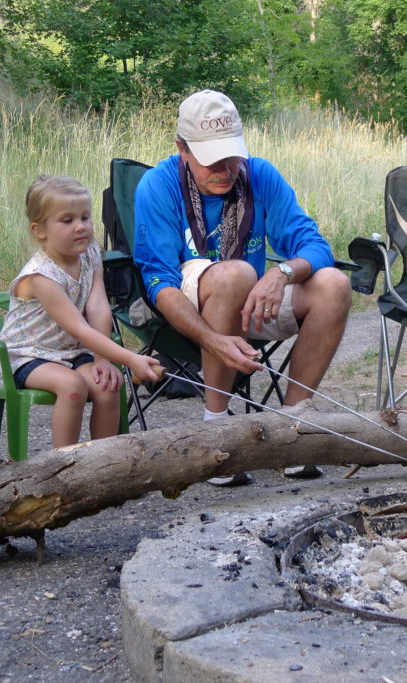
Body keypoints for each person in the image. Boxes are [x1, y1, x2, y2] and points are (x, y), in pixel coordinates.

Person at [133, 89, 352, 484]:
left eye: (232, 154)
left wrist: (281, 273)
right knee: (235, 274)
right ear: (182, 149)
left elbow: (316, 247)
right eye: (212, 159)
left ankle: (292, 429)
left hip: (250, 305)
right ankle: (216, 431)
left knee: (333, 283)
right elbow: (157, 281)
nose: (226, 168)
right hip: (189, 310)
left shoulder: (260, 174)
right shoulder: (157, 185)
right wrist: (213, 339)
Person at [0, 175, 161, 451]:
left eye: (85, 217)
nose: (81, 226)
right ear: (40, 230)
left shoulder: (91, 253)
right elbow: (79, 328)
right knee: (73, 387)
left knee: (107, 386)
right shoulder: (41, 277)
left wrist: (103, 360)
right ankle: (65, 466)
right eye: (67, 220)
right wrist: (132, 359)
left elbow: (97, 306)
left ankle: (104, 464)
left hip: (70, 351)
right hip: (28, 354)